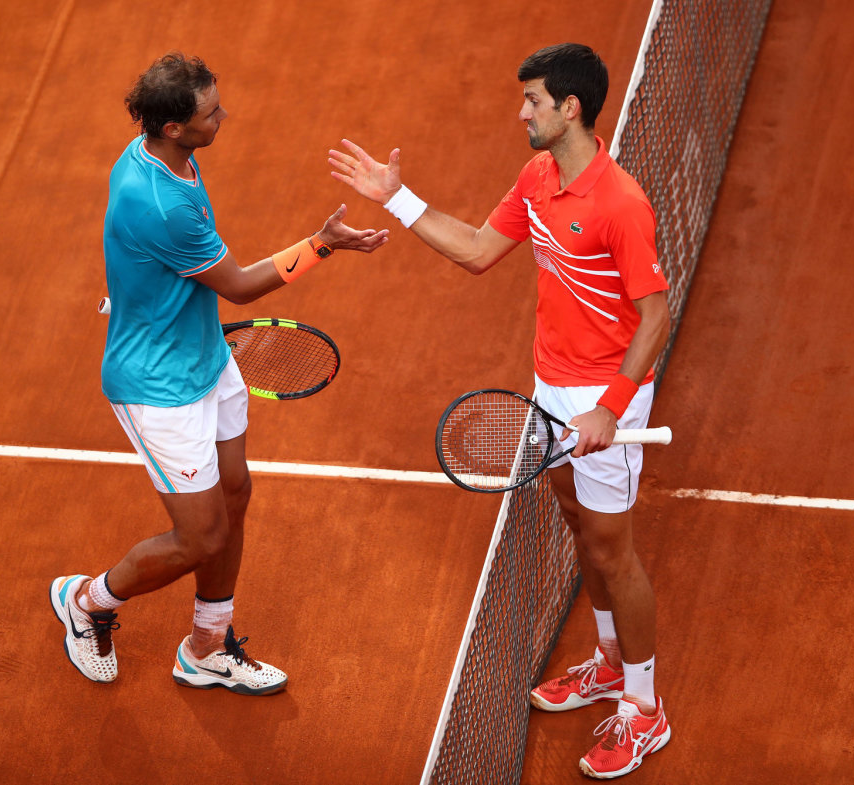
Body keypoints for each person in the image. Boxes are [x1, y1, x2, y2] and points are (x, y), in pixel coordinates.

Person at [329, 43, 671, 778]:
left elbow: (655, 317)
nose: (521, 112)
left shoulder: (620, 203)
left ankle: (644, 707)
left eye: (533, 101)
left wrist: (609, 408)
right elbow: (480, 249)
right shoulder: (538, 176)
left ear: (569, 107)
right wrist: (398, 196)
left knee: (615, 551)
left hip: (604, 395)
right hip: (551, 386)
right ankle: (609, 664)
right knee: (579, 523)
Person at [50, 52, 388, 694]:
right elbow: (237, 287)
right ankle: (87, 601)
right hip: (158, 388)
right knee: (200, 538)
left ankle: (206, 645)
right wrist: (323, 245)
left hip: (207, 357)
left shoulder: (170, 155)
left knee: (234, 496)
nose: (223, 117)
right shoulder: (159, 201)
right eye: (210, 113)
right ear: (172, 126)